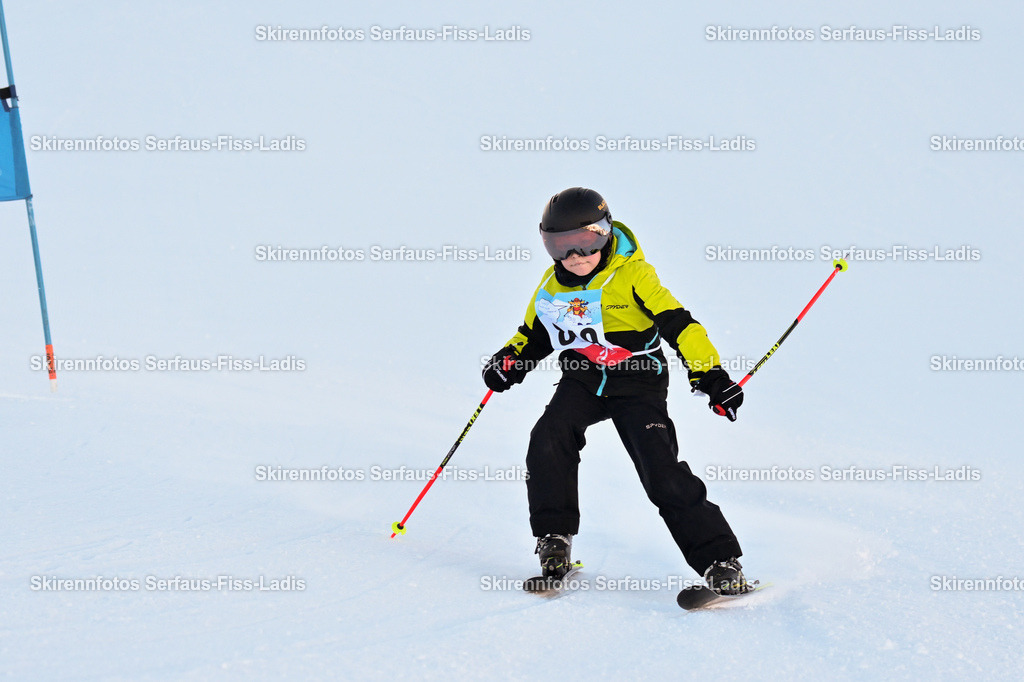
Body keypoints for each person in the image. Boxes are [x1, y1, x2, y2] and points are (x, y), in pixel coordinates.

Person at [482, 187, 749, 595]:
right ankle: (554, 541)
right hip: (583, 380)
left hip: (638, 380)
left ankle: (720, 561)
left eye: (584, 242)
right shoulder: (551, 287)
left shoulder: (633, 275)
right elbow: (534, 335)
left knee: (659, 467)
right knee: (549, 436)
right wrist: (508, 362)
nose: (574, 257)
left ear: (604, 233)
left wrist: (711, 377)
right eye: (560, 246)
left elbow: (680, 325)